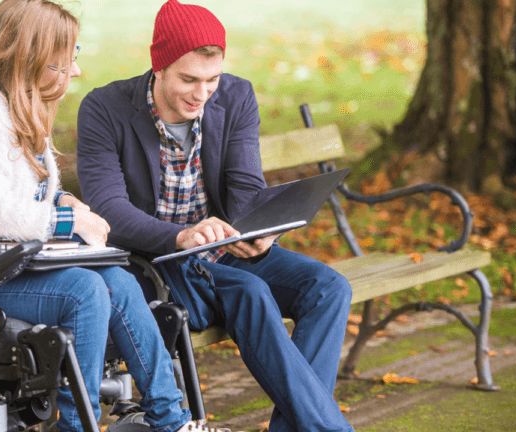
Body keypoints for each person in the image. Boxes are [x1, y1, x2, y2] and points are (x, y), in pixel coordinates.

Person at [0, 1, 211, 431]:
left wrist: (65, 204)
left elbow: (29, 192)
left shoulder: (17, 104)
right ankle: (76, 426)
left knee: (117, 279)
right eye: (64, 62)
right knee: (83, 290)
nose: (74, 72)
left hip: (0, 262)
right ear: (29, 57)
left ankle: (174, 421)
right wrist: (68, 223)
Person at [76, 1, 354, 431]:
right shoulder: (105, 109)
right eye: (188, 79)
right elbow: (109, 210)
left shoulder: (235, 95)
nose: (201, 93)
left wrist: (262, 231)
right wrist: (183, 236)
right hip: (158, 260)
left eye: (211, 80)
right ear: (159, 66)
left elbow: (245, 189)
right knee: (251, 290)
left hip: (222, 247)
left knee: (328, 287)